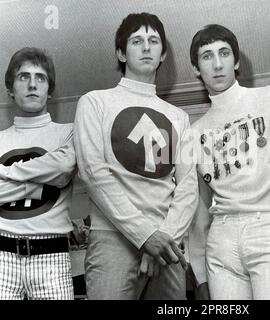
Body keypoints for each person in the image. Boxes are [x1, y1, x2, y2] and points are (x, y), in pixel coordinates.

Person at [187, 24, 270, 300]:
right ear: (196, 69)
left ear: (236, 61)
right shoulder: (195, 132)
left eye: (224, 53)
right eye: (206, 56)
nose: (216, 64)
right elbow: (197, 207)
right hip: (221, 240)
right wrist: (199, 272)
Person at [73, 12, 198, 300]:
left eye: (153, 41)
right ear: (121, 52)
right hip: (112, 239)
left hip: (169, 244)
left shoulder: (180, 117)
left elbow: (188, 186)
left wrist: (163, 238)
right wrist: (145, 236)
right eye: (137, 40)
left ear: (163, 53)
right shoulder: (94, 102)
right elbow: (93, 172)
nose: (146, 47)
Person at [0, 47, 77, 300]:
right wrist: (42, 183)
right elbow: (54, 177)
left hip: (52, 258)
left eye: (40, 77)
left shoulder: (69, 133)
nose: (32, 84)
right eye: (23, 77)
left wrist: (7, 172)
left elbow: (64, 169)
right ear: (10, 89)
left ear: (49, 89)